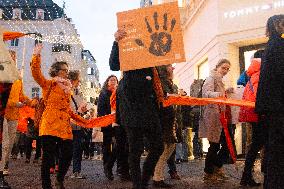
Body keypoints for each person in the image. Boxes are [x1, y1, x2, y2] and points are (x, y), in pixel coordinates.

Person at [109, 29, 164, 189]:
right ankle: (138, 185)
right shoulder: (128, 52)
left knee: (158, 146)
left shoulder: (150, 57)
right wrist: (116, 42)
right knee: (135, 149)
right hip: (131, 107)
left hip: (149, 108)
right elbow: (113, 64)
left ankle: (143, 180)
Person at [30, 44, 89, 189]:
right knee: (48, 158)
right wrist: (36, 56)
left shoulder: (68, 88)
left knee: (68, 154)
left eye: (68, 71)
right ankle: (46, 185)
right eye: (65, 70)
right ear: (57, 71)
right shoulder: (49, 83)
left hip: (64, 125)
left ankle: (59, 178)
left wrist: (82, 118)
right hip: (49, 122)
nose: (67, 73)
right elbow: (36, 74)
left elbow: (68, 109)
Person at [255, 14, 284, 188]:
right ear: (277, 25)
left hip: (272, 107)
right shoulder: (278, 46)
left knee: (274, 148)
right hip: (278, 106)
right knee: (278, 149)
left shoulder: (271, 46)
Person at [199, 59, 232, 181]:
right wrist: (218, 94)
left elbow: (219, 96)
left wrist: (226, 92)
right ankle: (209, 173)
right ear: (217, 67)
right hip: (213, 116)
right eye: (224, 68)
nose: (226, 71)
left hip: (220, 116)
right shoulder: (211, 78)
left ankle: (215, 168)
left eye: (227, 69)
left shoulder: (219, 80)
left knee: (221, 144)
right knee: (215, 145)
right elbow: (206, 94)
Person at [239, 50, 264, 187]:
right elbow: (259, 97)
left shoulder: (253, 74)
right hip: (259, 115)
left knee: (256, 145)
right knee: (257, 145)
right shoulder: (260, 74)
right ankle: (246, 176)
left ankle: (246, 176)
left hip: (254, 114)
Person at [152, 65, 177, 188]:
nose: (173, 68)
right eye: (170, 66)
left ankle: (157, 176)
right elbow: (165, 98)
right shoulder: (161, 81)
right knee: (166, 147)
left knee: (169, 146)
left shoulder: (165, 81)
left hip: (166, 118)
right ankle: (157, 177)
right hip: (164, 118)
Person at [97, 75, 118, 180]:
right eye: (111, 80)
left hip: (117, 124)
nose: (113, 81)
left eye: (115, 80)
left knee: (117, 146)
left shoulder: (119, 93)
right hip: (107, 124)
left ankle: (112, 166)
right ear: (107, 82)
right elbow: (100, 110)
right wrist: (107, 121)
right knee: (106, 146)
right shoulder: (104, 94)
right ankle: (107, 167)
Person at [69, 70, 88, 179]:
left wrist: (84, 109)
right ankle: (62, 172)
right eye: (78, 79)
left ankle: (76, 171)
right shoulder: (65, 90)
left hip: (78, 124)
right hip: (68, 124)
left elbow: (81, 104)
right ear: (73, 79)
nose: (79, 81)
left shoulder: (78, 92)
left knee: (78, 148)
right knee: (66, 149)